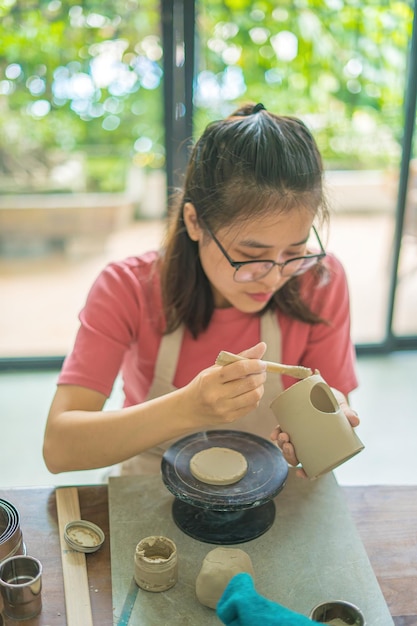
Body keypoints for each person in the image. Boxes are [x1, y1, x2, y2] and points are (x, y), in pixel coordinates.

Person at [43, 102, 359, 479]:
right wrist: (187, 408)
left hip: (269, 485)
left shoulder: (319, 279)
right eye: (249, 255)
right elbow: (59, 449)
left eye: (294, 251)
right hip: (154, 484)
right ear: (195, 222)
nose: (274, 278)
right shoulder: (127, 287)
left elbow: (333, 399)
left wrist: (325, 422)